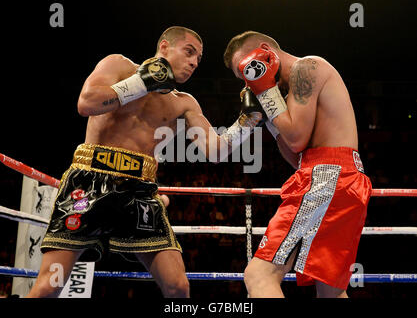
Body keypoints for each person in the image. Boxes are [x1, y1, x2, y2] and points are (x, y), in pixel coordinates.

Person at [27, 26, 264, 298]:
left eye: (198, 59)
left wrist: (248, 120)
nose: (193, 63)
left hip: (139, 194)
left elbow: (215, 150)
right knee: (50, 284)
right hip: (89, 182)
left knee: (178, 287)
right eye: (188, 52)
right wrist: (140, 83)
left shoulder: (184, 103)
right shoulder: (118, 65)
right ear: (164, 46)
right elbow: (86, 103)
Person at [223, 31, 372, 298]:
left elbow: (295, 138)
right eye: (242, 77)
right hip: (337, 178)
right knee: (330, 290)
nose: (248, 80)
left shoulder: (307, 67)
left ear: (265, 51)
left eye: (247, 69)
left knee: (259, 274)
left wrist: (266, 92)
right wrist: (268, 116)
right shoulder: (287, 92)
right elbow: (296, 156)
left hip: (328, 175)